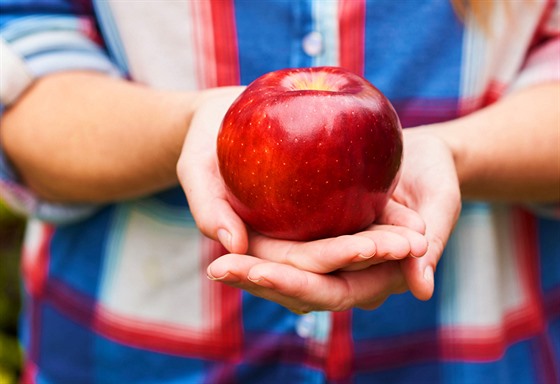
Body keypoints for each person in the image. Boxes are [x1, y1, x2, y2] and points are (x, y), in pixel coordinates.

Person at [0, 0, 558, 383]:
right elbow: (22, 89)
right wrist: (184, 124)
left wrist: (459, 152)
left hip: (470, 355)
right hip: (129, 357)